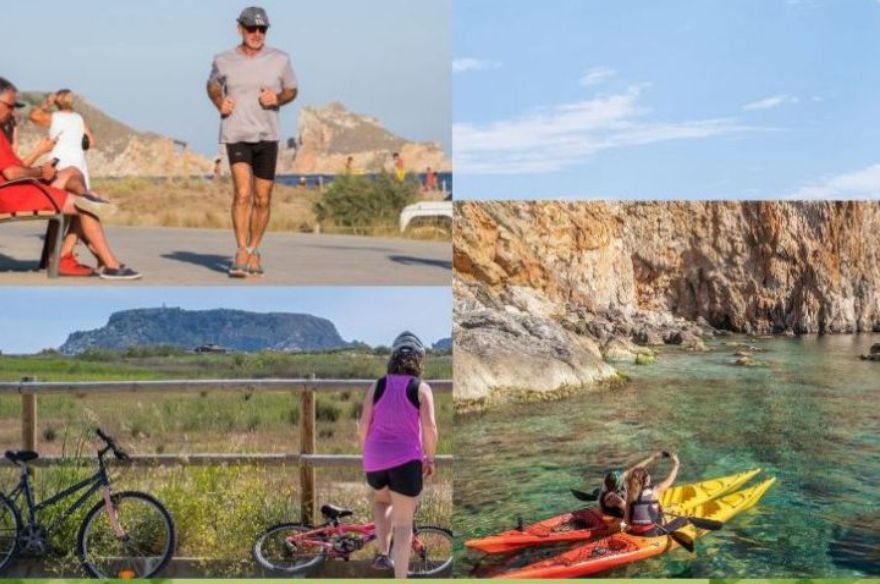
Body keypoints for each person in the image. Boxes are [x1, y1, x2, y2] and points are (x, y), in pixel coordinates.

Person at [0, 77, 140, 280]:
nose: (12, 112)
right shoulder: (77, 118)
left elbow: (12, 169)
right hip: (11, 194)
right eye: (9, 106)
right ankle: (109, 264)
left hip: (15, 188)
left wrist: (40, 165)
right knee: (85, 205)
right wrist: (40, 171)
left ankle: (67, 251)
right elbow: (11, 173)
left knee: (72, 172)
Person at [206, 6, 298, 278]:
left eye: (262, 29)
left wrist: (278, 98)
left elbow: (292, 89)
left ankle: (255, 250)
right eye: (251, 28)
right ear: (240, 29)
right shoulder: (223, 59)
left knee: (262, 198)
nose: (257, 34)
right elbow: (211, 84)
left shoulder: (280, 59)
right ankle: (241, 250)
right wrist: (219, 101)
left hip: (267, 135)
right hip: (236, 133)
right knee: (243, 193)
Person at [358, 332, 438, 578]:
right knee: (404, 525)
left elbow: (362, 426)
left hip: (374, 460)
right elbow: (430, 429)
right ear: (419, 359)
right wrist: (430, 458)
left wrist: (368, 452)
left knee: (382, 501)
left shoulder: (377, 385)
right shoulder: (421, 388)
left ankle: (383, 553)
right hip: (406, 461)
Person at [29, 89, 96, 189]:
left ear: (56, 101)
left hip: (58, 162)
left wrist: (47, 103)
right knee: (81, 198)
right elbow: (91, 142)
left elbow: (33, 116)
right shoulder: (78, 118)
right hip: (78, 162)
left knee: (56, 198)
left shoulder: (54, 118)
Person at [623, 452, 681, 536]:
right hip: (651, 534)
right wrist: (676, 464)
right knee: (683, 519)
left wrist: (626, 533)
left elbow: (626, 521)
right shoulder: (655, 491)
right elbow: (670, 479)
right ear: (647, 479)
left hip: (634, 532)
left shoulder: (630, 495)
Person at [598, 451, 669, 518]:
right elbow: (628, 509)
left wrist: (652, 458)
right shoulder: (612, 497)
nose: (624, 478)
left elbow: (635, 469)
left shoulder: (610, 480)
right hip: (616, 513)